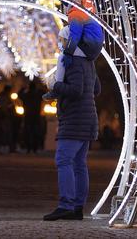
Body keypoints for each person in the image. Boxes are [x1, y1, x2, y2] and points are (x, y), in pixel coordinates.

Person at [42, 52, 101, 221]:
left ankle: (66, 205)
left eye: (62, 39)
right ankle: (77, 207)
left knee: (63, 159)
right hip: (87, 118)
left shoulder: (72, 61)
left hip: (75, 119)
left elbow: (76, 90)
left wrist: (55, 85)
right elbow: (96, 89)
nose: (60, 43)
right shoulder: (89, 61)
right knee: (79, 164)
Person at [62, 0, 104, 66]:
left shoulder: (76, 14)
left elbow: (75, 35)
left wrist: (68, 53)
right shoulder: (88, 12)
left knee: (65, 31)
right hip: (95, 50)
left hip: (88, 47)